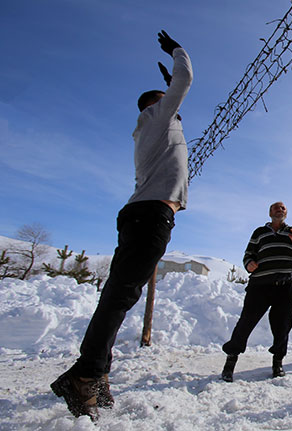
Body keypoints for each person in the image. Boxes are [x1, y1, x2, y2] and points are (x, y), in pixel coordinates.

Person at [50, 30, 193, 420]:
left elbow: (174, 112)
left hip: (141, 215)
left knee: (118, 295)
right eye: (169, 104)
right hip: (150, 217)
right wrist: (177, 52)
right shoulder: (159, 117)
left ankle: (95, 374)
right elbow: (185, 81)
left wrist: (167, 96)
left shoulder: (152, 126)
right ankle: (84, 378)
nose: (176, 109)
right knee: (119, 296)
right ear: (157, 104)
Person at [221, 201, 292, 381]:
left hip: (285, 285)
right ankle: (230, 361)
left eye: (283, 208)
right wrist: (249, 264)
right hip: (259, 285)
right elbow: (248, 254)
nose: (279, 210)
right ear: (270, 212)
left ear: (286, 213)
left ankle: (277, 363)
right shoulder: (259, 233)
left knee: (283, 326)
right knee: (246, 323)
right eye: (275, 208)